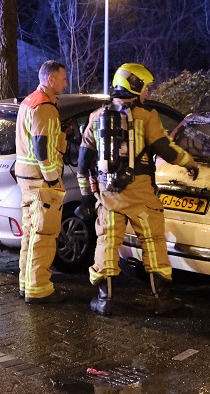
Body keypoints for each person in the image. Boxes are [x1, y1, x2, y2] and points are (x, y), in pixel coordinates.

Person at [76, 63, 199, 315]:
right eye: (146, 87)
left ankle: (105, 299)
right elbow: (165, 148)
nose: (148, 93)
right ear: (135, 85)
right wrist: (189, 162)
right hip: (141, 193)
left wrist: (88, 195)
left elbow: (83, 159)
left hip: (108, 193)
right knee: (153, 242)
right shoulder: (146, 116)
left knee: (107, 243)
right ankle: (162, 300)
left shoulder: (97, 116)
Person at [15, 60, 69, 304]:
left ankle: (26, 283)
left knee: (31, 231)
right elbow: (42, 148)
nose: (66, 83)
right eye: (63, 78)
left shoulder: (29, 101)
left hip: (27, 177)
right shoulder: (45, 106)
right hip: (40, 180)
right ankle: (39, 288)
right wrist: (53, 180)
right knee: (44, 233)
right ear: (50, 79)